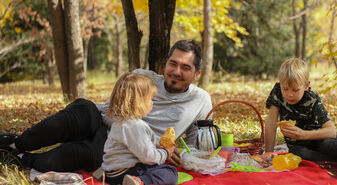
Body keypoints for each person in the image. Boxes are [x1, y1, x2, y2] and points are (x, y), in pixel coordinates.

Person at [0, 39, 212, 172]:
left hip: (120, 148)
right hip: (101, 120)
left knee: (62, 159)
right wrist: (130, 129)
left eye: (185, 67)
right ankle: (15, 143)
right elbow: (112, 111)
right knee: (72, 117)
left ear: (197, 74)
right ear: (165, 64)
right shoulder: (141, 77)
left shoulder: (201, 100)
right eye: (172, 63)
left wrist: (178, 153)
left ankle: (20, 158)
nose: (176, 71)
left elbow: (196, 144)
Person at [265, 58, 337, 165]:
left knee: (328, 146)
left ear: (306, 85)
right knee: (296, 153)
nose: (290, 94)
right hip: (299, 146)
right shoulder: (277, 91)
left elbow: (332, 132)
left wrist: (303, 134)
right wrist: (268, 154)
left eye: (295, 90)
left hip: (320, 138)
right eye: (285, 89)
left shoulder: (313, 99)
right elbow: (271, 122)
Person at [101, 72, 177, 185]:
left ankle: (128, 182)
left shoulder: (120, 121)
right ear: (138, 102)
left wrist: (156, 148)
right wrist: (165, 153)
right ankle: (140, 181)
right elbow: (148, 157)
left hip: (112, 173)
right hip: (126, 172)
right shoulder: (134, 125)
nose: (152, 104)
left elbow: (136, 147)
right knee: (170, 172)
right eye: (150, 99)